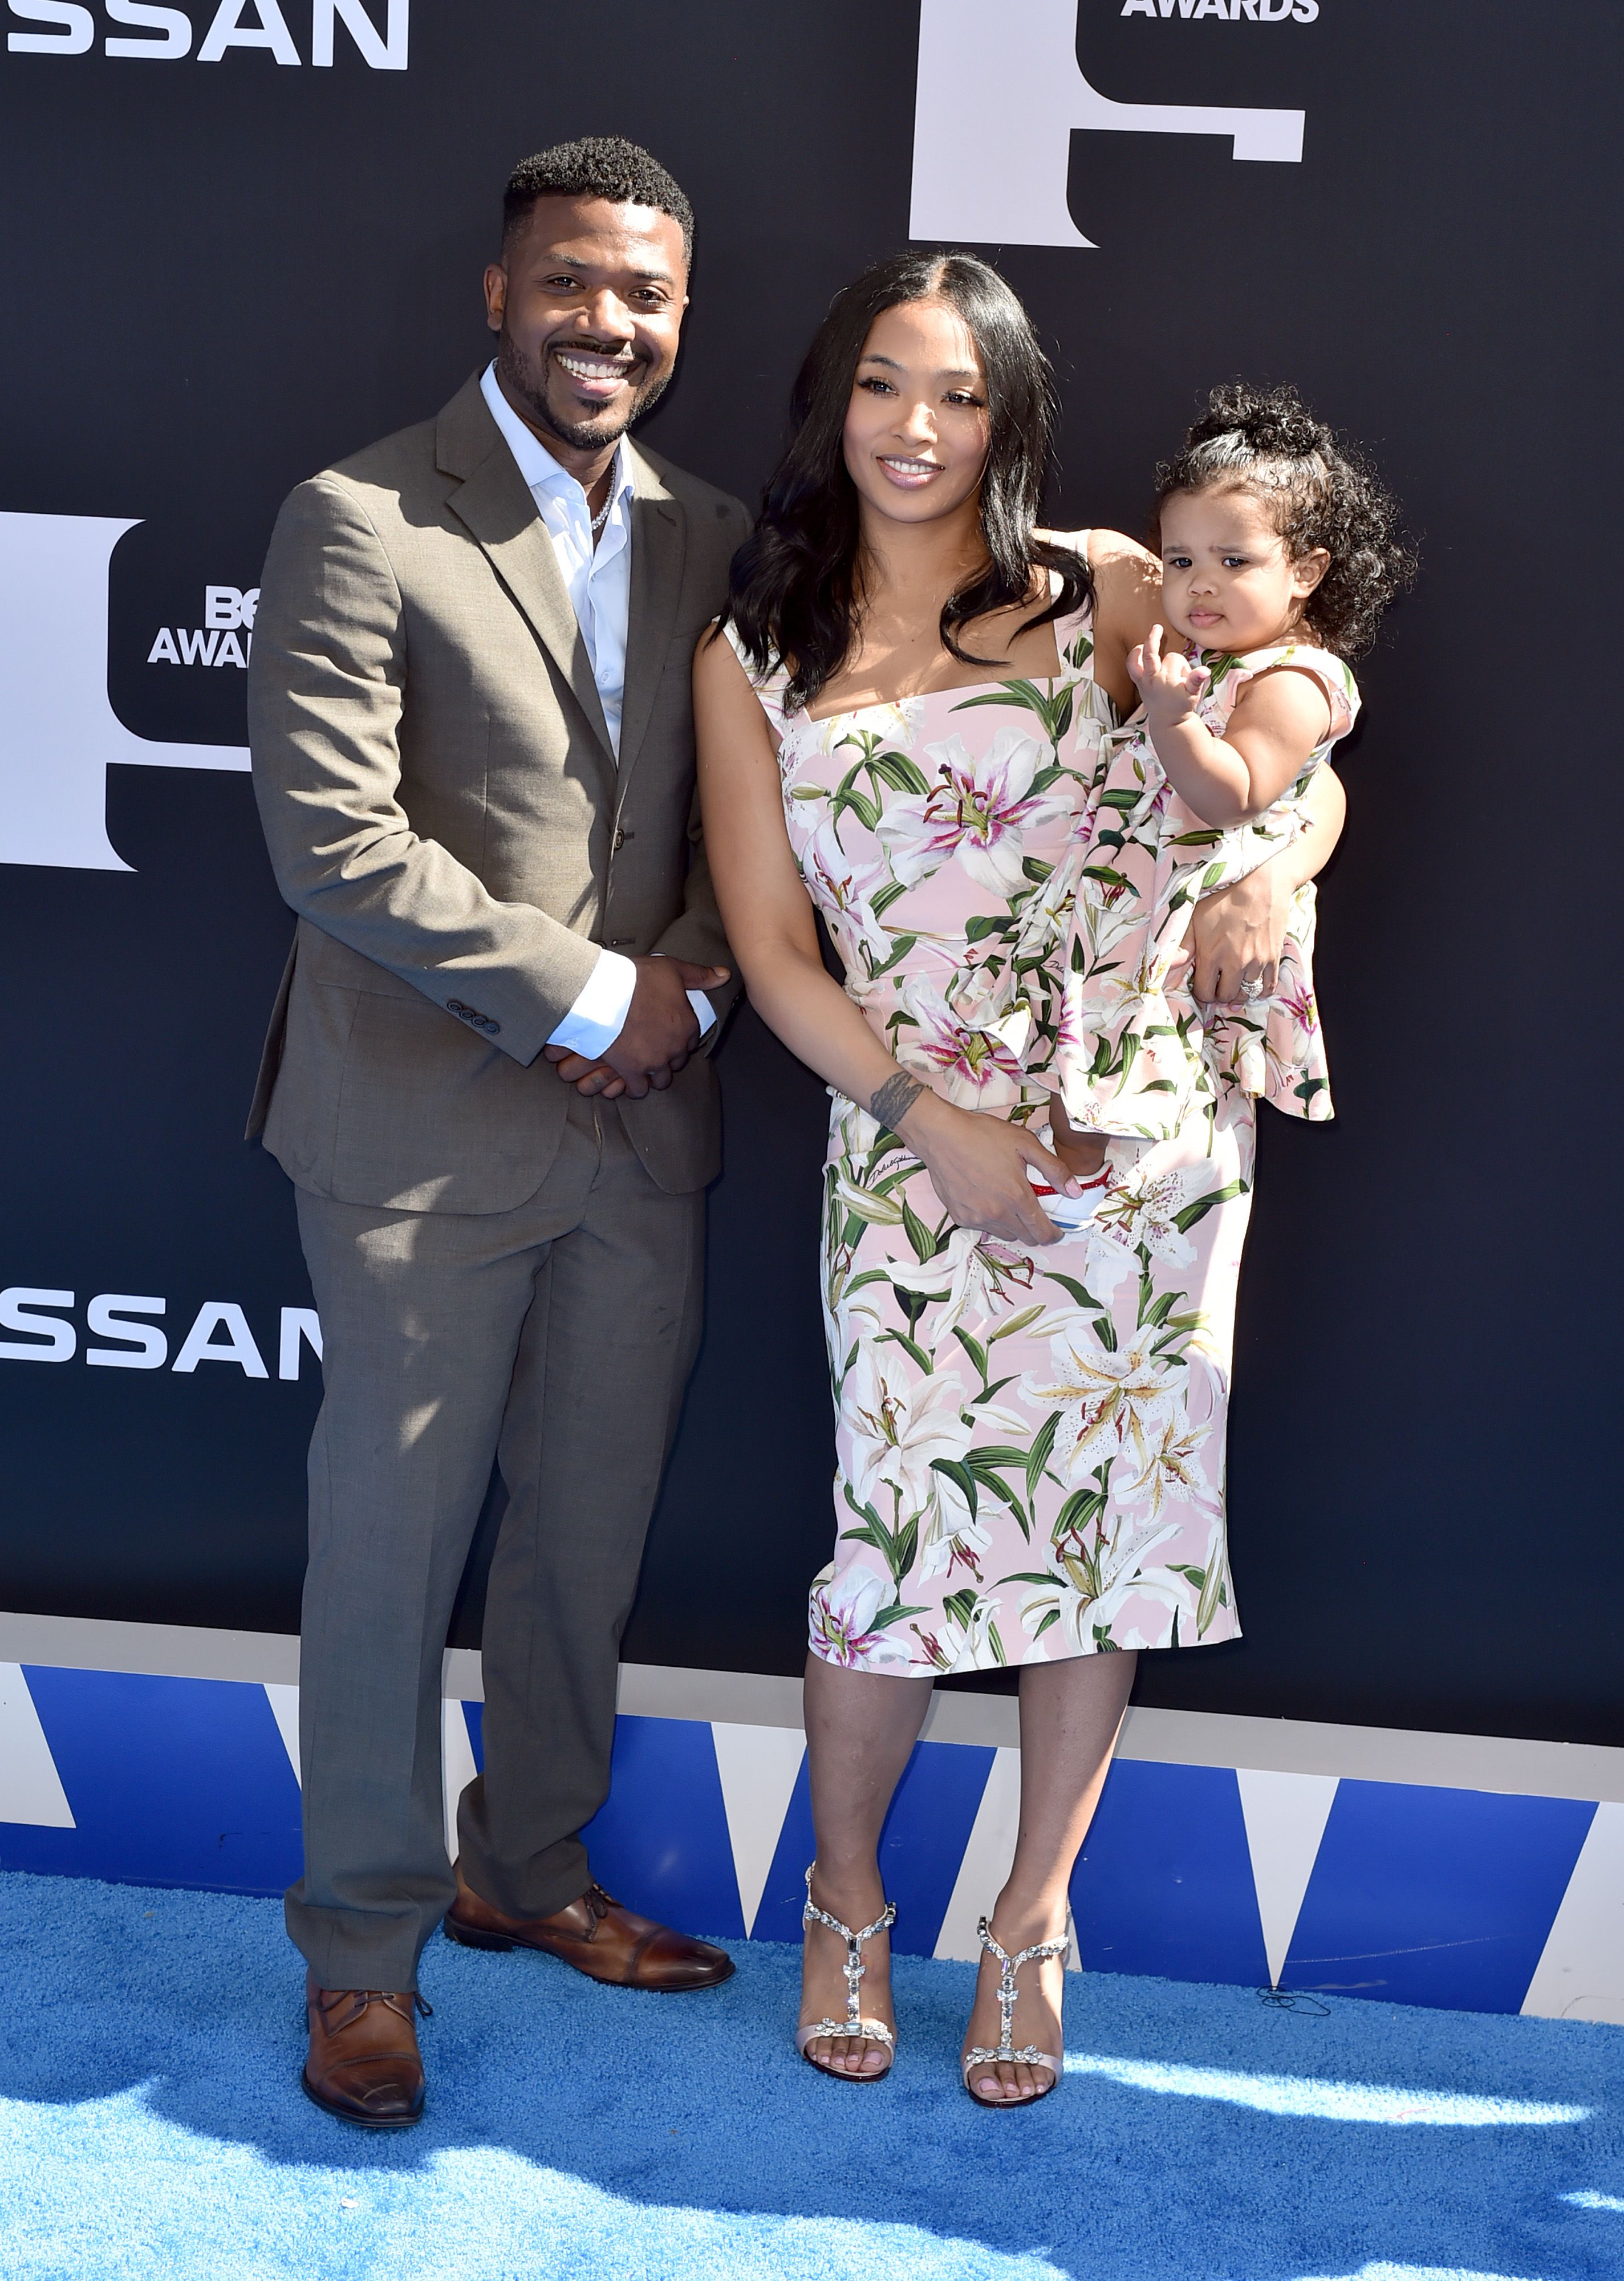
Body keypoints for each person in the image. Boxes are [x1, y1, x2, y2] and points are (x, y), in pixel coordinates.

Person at [692, 253, 1353, 2108]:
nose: (920, 428)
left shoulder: (1116, 588)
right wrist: (931, 1127)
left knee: (1104, 1545)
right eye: (887, 385)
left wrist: (1275, 873)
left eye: (963, 395)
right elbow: (773, 949)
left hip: (1144, 1138)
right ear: (837, 400)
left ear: (1012, 420)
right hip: (916, 1142)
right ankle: (844, 1905)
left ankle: (1032, 1922)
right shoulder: (753, 653)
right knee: (898, 1547)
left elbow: (1292, 729)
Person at [246, 136, 749, 2131]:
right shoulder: (358, 514)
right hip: (416, 1140)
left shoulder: (717, 531)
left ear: (678, 316)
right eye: (568, 283)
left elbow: (765, 827)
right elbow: (333, 843)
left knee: (585, 1540)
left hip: (645, 1131)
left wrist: (687, 993)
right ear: (498, 292)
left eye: (641, 293)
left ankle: (523, 1873)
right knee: (390, 1557)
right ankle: (360, 1957)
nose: (602, 322)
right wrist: (584, 992)